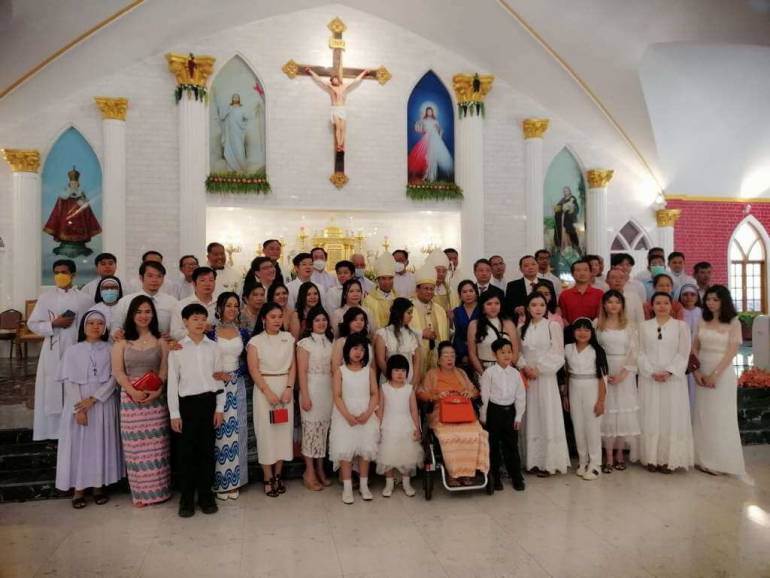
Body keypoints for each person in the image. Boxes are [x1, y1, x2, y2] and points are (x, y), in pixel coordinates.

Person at [55, 310, 123, 508]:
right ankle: (78, 490)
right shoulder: (72, 350)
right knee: (80, 447)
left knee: (100, 444)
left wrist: (94, 399)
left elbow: (114, 377)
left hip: (103, 402)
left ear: (104, 327)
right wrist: (80, 408)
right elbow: (68, 380)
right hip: (78, 405)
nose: (95, 327)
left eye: (99, 323)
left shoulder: (112, 348)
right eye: (91, 323)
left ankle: (99, 487)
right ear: (83, 327)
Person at [111, 295, 171, 506]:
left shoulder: (161, 341)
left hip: (156, 399)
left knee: (157, 448)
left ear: (153, 314)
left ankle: (160, 491)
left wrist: (158, 390)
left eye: (147, 311)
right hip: (131, 400)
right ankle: (140, 494)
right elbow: (118, 371)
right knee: (136, 449)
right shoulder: (122, 341)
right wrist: (131, 391)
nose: (143, 316)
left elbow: (163, 371)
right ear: (131, 315)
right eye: (139, 312)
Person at [167, 303, 225, 517]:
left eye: (203, 318)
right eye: (194, 319)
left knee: (207, 452)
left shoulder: (214, 347)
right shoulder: (178, 349)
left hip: (208, 403)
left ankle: (206, 495)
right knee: (186, 454)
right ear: (185, 322)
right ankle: (186, 498)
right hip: (187, 406)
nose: (200, 323)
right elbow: (172, 383)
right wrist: (174, 413)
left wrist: (219, 408)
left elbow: (219, 377)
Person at [30, 259, 93, 440]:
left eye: (64, 272)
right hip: (52, 349)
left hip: (77, 349)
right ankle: (53, 431)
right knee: (53, 386)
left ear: (73, 275)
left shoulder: (85, 299)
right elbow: (33, 324)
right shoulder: (45, 298)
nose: (60, 276)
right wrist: (53, 324)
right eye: (56, 272)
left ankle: (76, 427)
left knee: (75, 386)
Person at [691, 286, 746, 477]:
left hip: (722, 372)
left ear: (724, 300)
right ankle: (702, 458)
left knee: (721, 416)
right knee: (703, 414)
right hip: (702, 369)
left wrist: (715, 374)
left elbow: (732, 352)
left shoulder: (733, 322)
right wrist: (696, 372)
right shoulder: (702, 320)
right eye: (708, 299)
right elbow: (695, 347)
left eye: (715, 299)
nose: (711, 303)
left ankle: (721, 460)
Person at [418, 342, 489, 486]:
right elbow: (421, 393)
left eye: (452, 355)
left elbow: (475, 391)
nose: (450, 358)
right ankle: (453, 474)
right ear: (438, 359)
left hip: (464, 413)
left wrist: (469, 393)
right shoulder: (432, 374)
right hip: (441, 414)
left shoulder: (461, 373)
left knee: (478, 433)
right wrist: (436, 395)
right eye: (445, 355)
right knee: (448, 436)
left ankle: (469, 472)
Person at [638, 292, 694, 473]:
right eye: (658, 303)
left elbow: (684, 352)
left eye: (665, 303)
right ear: (651, 306)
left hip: (673, 380)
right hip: (650, 378)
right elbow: (639, 352)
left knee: (671, 416)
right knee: (651, 415)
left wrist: (669, 371)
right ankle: (651, 458)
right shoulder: (643, 326)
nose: (662, 306)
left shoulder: (681, 326)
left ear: (672, 306)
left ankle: (669, 459)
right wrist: (651, 371)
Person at [517, 293, 569, 477]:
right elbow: (518, 352)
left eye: (541, 304)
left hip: (546, 378)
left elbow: (558, 354)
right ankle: (532, 461)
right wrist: (525, 367)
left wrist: (539, 369)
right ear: (527, 307)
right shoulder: (522, 327)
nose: (538, 308)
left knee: (547, 415)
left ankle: (549, 462)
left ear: (546, 307)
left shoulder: (552, 326)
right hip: (528, 379)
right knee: (531, 417)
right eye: (533, 304)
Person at [247, 302, 296, 497]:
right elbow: (253, 369)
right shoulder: (255, 342)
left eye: (279, 316)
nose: (277, 320)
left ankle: (278, 475)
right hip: (264, 392)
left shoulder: (289, 338)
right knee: (266, 434)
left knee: (283, 433)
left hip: (285, 392)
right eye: (272, 317)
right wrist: (267, 391)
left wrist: (289, 389)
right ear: (263, 319)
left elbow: (293, 366)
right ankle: (267, 477)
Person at [207, 293, 251, 500]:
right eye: (228, 305)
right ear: (220, 308)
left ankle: (236, 481)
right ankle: (220, 481)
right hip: (217, 384)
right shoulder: (210, 333)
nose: (232, 309)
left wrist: (237, 373)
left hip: (237, 384)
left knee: (238, 430)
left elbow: (248, 359)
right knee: (220, 432)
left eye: (235, 306)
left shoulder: (243, 332)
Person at [329, 334, 380, 504]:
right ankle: (348, 488)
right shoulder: (340, 371)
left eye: (362, 349)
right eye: (355, 348)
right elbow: (337, 396)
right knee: (346, 451)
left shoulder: (369, 371)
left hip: (366, 413)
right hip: (345, 414)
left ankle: (364, 486)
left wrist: (367, 413)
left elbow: (374, 394)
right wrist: (348, 416)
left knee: (364, 450)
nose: (359, 352)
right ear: (347, 350)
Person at [596, 290, 640, 472]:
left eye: (617, 302)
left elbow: (634, 351)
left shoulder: (630, 325)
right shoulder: (597, 324)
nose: (613, 305)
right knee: (606, 412)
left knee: (621, 413)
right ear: (604, 305)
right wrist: (602, 373)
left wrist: (624, 373)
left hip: (624, 371)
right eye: (610, 302)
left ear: (622, 305)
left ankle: (620, 454)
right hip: (603, 370)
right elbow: (595, 349)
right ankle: (608, 456)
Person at [564, 318, 608, 480]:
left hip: (592, 388)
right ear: (573, 331)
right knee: (578, 426)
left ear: (592, 333)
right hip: (575, 388)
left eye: (586, 330)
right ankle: (583, 461)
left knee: (592, 427)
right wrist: (566, 395)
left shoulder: (597, 350)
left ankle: (595, 464)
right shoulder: (568, 349)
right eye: (579, 329)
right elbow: (567, 373)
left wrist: (601, 401)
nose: (582, 333)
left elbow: (603, 377)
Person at [480, 338, 526, 492]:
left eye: (509, 352)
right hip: (494, 412)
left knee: (511, 446)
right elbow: (484, 396)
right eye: (502, 352)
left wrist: (518, 416)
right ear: (494, 355)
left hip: (510, 412)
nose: (507, 355)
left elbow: (520, 396)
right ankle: (495, 478)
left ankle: (516, 478)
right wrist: (484, 416)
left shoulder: (515, 373)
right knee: (493, 446)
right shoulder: (489, 373)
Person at [297, 305, 335, 491]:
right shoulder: (305, 344)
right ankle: (309, 472)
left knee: (323, 432)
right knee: (311, 432)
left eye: (324, 320)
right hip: (311, 389)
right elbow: (302, 372)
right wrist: (305, 396)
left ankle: (320, 469)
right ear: (310, 324)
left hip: (327, 392)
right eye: (317, 320)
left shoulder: (331, 342)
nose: (321, 323)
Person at [377, 354, 423, 497]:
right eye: (396, 370)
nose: (400, 374)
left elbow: (414, 410)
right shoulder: (384, 388)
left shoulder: (409, 389)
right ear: (389, 371)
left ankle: (406, 482)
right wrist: (378, 428)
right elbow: (381, 409)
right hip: (389, 424)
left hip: (406, 425)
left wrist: (417, 428)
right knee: (388, 453)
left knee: (407, 453)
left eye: (403, 371)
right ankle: (389, 483)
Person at [305, 67, 368, 152]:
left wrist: (363, 73)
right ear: (332, 81)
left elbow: (355, 81)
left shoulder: (344, 86)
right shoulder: (331, 87)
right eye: (333, 80)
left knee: (343, 128)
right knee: (338, 127)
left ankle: (341, 144)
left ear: (338, 80)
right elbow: (319, 80)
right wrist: (311, 71)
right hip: (335, 109)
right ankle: (338, 145)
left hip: (342, 108)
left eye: (335, 79)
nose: (334, 81)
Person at [111, 261, 178, 337]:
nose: (154, 280)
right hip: (132, 345)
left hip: (164, 345)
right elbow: (116, 325)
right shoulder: (126, 301)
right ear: (141, 278)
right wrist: (117, 333)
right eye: (150, 276)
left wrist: (172, 336)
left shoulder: (172, 302)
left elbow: (177, 329)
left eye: (159, 276)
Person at [468, 291, 518, 380]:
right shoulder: (474, 325)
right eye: (489, 304)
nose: (493, 307)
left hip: (507, 371)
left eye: (496, 303)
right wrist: (484, 374)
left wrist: (507, 371)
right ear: (482, 307)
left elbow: (515, 350)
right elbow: (472, 353)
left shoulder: (509, 324)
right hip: (484, 370)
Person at [410, 264, 450, 374]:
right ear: (417, 289)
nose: (429, 292)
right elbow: (402, 330)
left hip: (436, 356)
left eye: (431, 289)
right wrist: (421, 334)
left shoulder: (439, 310)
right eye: (426, 288)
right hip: (416, 357)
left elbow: (444, 335)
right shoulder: (409, 308)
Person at [374, 297, 422, 386]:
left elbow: (417, 362)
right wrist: (392, 377)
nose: (411, 316)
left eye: (411, 313)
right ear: (399, 313)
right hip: (388, 380)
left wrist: (414, 382)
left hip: (408, 379)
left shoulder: (413, 335)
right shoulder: (383, 333)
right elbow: (380, 360)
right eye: (409, 313)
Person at [408, 105, 454, 183]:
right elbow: (419, 128)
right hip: (427, 139)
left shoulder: (435, 121)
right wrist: (421, 127)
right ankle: (426, 175)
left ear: (432, 112)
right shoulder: (423, 120)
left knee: (433, 158)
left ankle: (432, 177)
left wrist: (439, 132)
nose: (429, 112)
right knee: (427, 157)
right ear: (426, 112)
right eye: (428, 111)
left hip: (435, 139)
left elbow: (440, 131)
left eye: (430, 111)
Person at [170, 267, 217, 341]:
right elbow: (175, 334)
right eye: (202, 280)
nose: (207, 284)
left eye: (211, 280)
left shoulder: (220, 304)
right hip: (189, 348)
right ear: (194, 283)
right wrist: (198, 330)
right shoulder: (181, 305)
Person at [505, 255, 555, 323]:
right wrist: (516, 309)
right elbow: (508, 307)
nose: (530, 267)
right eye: (526, 265)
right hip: (521, 322)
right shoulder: (512, 285)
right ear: (521, 269)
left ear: (537, 266)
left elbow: (553, 304)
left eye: (533, 264)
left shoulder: (548, 283)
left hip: (545, 321)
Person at [679, 283, 703, 410]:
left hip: (699, 353)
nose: (689, 297)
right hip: (681, 353)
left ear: (697, 297)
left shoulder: (702, 313)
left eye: (692, 294)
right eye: (685, 294)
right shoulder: (678, 312)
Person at [557, 259, 603, 324]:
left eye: (585, 270)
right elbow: (562, 317)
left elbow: (601, 316)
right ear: (572, 274)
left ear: (590, 273)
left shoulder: (599, 294)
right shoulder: (564, 295)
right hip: (570, 331)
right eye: (578, 270)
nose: (582, 273)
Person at [363, 252, 398, 329]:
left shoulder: (398, 299)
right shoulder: (368, 300)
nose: (387, 282)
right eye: (383, 278)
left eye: (390, 278)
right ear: (377, 280)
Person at [452, 280, 479, 371]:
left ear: (476, 293)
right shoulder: (456, 312)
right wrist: (463, 354)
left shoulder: (483, 309)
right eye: (464, 292)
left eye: (471, 291)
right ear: (460, 295)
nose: (468, 294)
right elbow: (457, 335)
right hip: (461, 353)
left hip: (481, 352)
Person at [427, 249, 459, 315]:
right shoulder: (425, 289)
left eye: (444, 271)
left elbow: (455, 307)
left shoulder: (450, 290)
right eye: (438, 271)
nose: (441, 274)